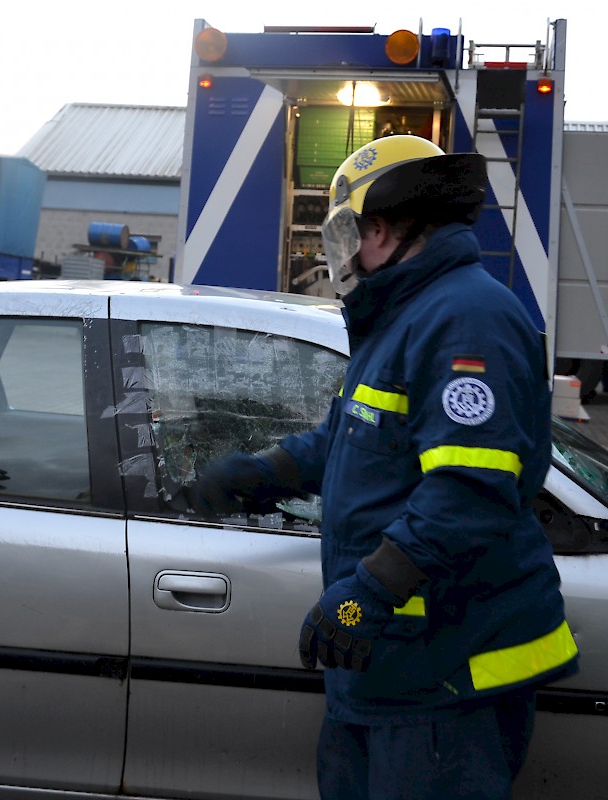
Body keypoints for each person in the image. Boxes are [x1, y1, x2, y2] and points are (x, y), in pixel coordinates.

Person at [189, 135, 579, 800]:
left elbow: (471, 493)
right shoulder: (403, 315)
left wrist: (363, 596)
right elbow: (352, 441)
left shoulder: (466, 319)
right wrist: (260, 472)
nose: (341, 255)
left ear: (386, 228)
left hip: (444, 676)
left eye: (349, 233)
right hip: (391, 667)